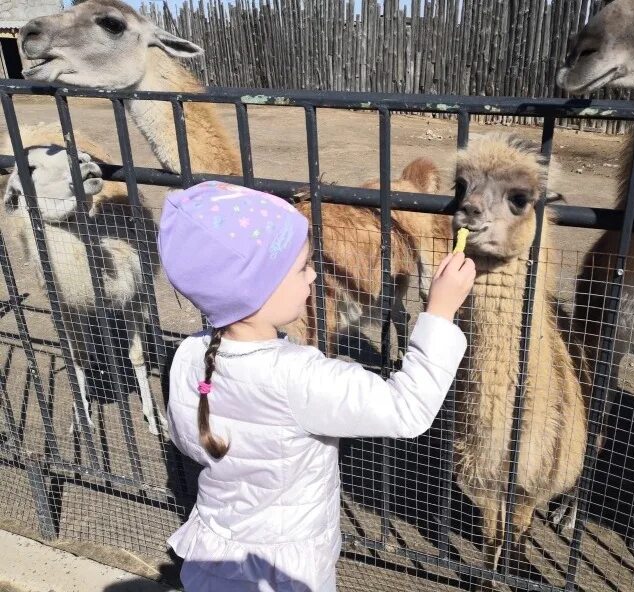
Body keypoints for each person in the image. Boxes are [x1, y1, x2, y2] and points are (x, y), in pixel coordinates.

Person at [157, 180, 475, 591]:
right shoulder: (300, 377)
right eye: (303, 267)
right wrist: (440, 311)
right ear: (258, 289)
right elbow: (406, 408)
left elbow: (188, 439)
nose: (313, 276)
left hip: (211, 561)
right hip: (284, 573)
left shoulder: (187, 357)